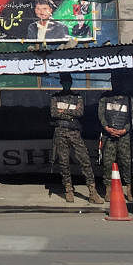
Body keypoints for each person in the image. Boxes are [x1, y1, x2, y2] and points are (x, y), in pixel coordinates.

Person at [50, 73, 99, 204]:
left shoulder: (77, 97)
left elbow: (80, 113)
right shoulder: (55, 97)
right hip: (60, 132)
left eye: (68, 81)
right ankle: (68, 190)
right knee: (64, 162)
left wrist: (63, 112)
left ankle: (92, 191)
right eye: (64, 82)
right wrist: (71, 112)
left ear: (71, 82)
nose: (66, 84)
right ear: (61, 83)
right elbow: (54, 113)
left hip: (75, 132)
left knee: (85, 160)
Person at [97, 76, 133, 202]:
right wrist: (107, 128)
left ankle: (129, 191)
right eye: (114, 81)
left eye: (118, 81)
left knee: (126, 163)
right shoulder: (105, 98)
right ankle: (108, 191)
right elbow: (101, 115)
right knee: (108, 163)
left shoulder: (128, 99)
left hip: (124, 136)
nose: (116, 84)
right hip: (108, 136)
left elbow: (132, 118)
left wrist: (124, 130)